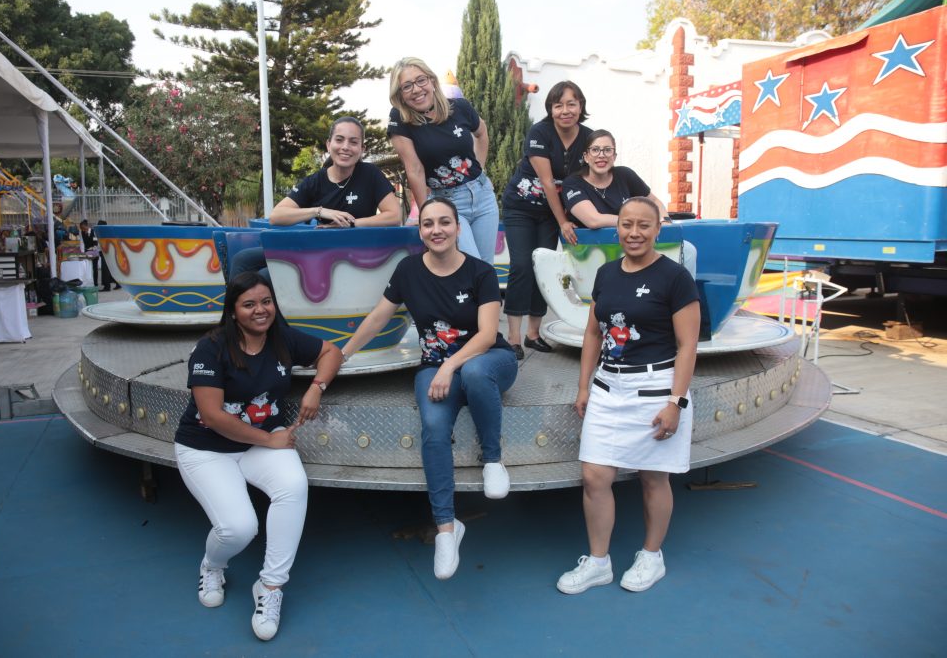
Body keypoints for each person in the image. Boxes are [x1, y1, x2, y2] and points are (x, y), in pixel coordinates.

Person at [341, 197, 518, 580]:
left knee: (472, 374)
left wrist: (450, 365)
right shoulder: (408, 271)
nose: (436, 230)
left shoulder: (481, 272)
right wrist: (343, 354)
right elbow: (378, 318)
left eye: (444, 222)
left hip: (488, 362)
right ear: (420, 230)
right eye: (427, 224)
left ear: (457, 228)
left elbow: (488, 334)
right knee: (435, 429)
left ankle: (492, 460)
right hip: (436, 369)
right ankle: (446, 529)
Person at [174, 272, 341, 641]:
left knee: (293, 486)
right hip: (206, 448)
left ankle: (270, 587)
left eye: (266, 301)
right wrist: (270, 441)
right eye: (249, 304)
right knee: (239, 528)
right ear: (233, 311)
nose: (260, 310)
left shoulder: (282, 338)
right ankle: (212, 565)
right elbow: (214, 416)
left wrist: (316, 388)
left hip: (261, 443)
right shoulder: (211, 348)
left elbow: (332, 351)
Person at [556, 197, 699, 595]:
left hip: (655, 391)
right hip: (608, 388)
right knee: (594, 477)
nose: (634, 233)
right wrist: (584, 386)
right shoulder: (605, 274)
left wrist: (676, 403)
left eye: (643, 225)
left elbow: (688, 346)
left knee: (654, 479)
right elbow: (592, 333)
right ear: (617, 227)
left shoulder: (674, 278)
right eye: (626, 224)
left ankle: (652, 556)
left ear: (657, 230)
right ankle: (599, 562)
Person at [502, 81, 593, 359]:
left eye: (571, 104)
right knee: (521, 266)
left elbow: (588, 179)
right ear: (551, 109)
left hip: (552, 213)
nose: (565, 110)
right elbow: (546, 181)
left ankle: (533, 334)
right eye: (558, 105)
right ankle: (514, 337)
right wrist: (564, 222)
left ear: (581, 106)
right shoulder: (539, 132)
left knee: (543, 267)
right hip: (521, 207)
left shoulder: (589, 138)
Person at [387, 57, 498, 264]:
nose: (416, 89)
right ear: (400, 94)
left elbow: (482, 133)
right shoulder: (400, 119)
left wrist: (480, 169)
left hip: (483, 197)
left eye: (421, 80)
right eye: (407, 86)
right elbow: (415, 169)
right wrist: (426, 216)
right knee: (469, 263)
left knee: (485, 267)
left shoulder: (460, 107)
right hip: (447, 202)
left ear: (432, 81)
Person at [269, 116, 401, 228]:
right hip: (324, 251)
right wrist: (319, 211)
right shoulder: (315, 181)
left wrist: (351, 224)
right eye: (339, 140)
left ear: (362, 149)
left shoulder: (370, 174)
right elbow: (276, 216)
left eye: (353, 142)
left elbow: (395, 216)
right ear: (328, 145)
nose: (345, 147)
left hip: (363, 251)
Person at [561, 130, 670, 228]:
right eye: (595, 150)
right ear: (586, 157)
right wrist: (638, 222)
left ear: (614, 156)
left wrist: (664, 220)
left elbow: (654, 201)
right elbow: (593, 220)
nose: (601, 155)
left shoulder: (625, 175)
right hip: (589, 248)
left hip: (629, 244)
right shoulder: (572, 184)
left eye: (608, 150)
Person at [95, 220, 120, 291]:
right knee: (108, 270)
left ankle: (107, 286)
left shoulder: (105, 233)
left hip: (106, 253)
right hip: (105, 252)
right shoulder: (106, 232)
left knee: (105, 270)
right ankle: (117, 283)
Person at [79, 219, 99, 286]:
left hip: (94, 252)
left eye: (83, 228)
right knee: (87, 267)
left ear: (86, 226)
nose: (83, 230)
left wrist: (93, 251)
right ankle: (88, 282)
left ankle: (95, 283)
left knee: (94, 268)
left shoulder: (94, 232)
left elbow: (96, 243)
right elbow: (82, 243)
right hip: (86, 252)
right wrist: (82, 252)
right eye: (81, 229)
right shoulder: (81, 233)